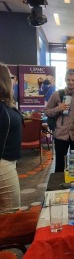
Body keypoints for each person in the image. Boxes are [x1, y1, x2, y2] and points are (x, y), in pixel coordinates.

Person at [44, 69, 74, 172]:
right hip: (61, 134)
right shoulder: (57, 94)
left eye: (73, 80)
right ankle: (59, 187)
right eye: (68, 80)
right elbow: (46, 111)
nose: (71, 82)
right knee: (60, 165)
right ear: (65, 80)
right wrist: (58, 109)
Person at [0, 62, 22, 213]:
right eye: (11, 77)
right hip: (3, 162)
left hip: (9, 160)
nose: (13, 80)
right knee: (10, 209)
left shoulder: (5, 104)